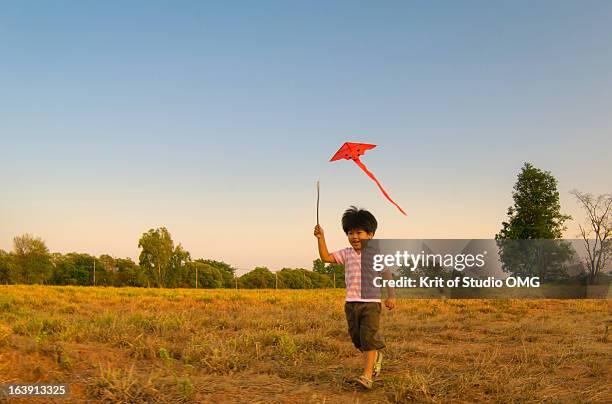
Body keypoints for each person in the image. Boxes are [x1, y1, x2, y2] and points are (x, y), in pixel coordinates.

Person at [314, 206, 396, 389]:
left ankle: (367, 376)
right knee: (357, 339)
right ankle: (375, 356)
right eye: (350, 233)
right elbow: (326, 257)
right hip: (351, 304)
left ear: (371, 234)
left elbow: (387, 275)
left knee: (368, 338)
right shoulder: (346, 253)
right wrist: (321, 238)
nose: (354, 237)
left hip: (371, 304)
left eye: (359, 232)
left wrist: (391, 296)